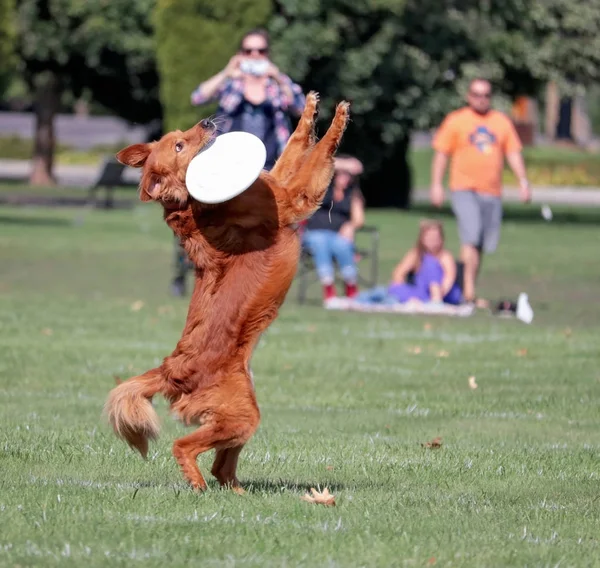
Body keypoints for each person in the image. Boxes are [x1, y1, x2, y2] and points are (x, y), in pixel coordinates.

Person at [429, 78, 532, 305]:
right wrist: (436, 184)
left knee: (481, 244)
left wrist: (523, 182)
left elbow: (513, 153)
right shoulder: (456, 121)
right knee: (471, 237)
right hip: (463, 188)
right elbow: (441, 154)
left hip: (492, 192)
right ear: (468, 96)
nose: (481, 99)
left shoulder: (501, 122)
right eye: (476, 94)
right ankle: (467, 292)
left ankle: (465, 289)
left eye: (485, 95)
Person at [190, 27, 306, 171]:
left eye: (261, 51)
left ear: (268, 54)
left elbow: (301, 110)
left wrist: (279, 79)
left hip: (270, 167)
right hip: (229, 165)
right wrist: (226, 72)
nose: (255, 55)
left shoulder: (277, 84)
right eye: (248, 51)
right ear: (240, 54)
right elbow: (197, 97)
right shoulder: (232, 83)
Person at [301, 155, 366, 306]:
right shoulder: (322, 187)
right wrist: (346, 164)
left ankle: (351, 286)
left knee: (341, 244)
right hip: (313, 234)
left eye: (348, 175)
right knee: (321, 241)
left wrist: (350, 226)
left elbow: (359, 219)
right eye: (342, 174)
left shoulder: (352, 194)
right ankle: (329, 289)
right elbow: (316, 164)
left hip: (337, 236)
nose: (345, 178)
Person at [387, 219, 462, 305]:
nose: (432, 240)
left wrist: (438, 293)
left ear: (441, 239)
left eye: (435, 237)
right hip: (423, 292)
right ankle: (420, 301)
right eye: (429, 237)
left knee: (430, 264)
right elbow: (398, 273)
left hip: (444, 293)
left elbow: (449, 278)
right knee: (394, 288)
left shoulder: (445, 256)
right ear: (422, 238)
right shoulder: (416, 254)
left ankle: (434, 300)